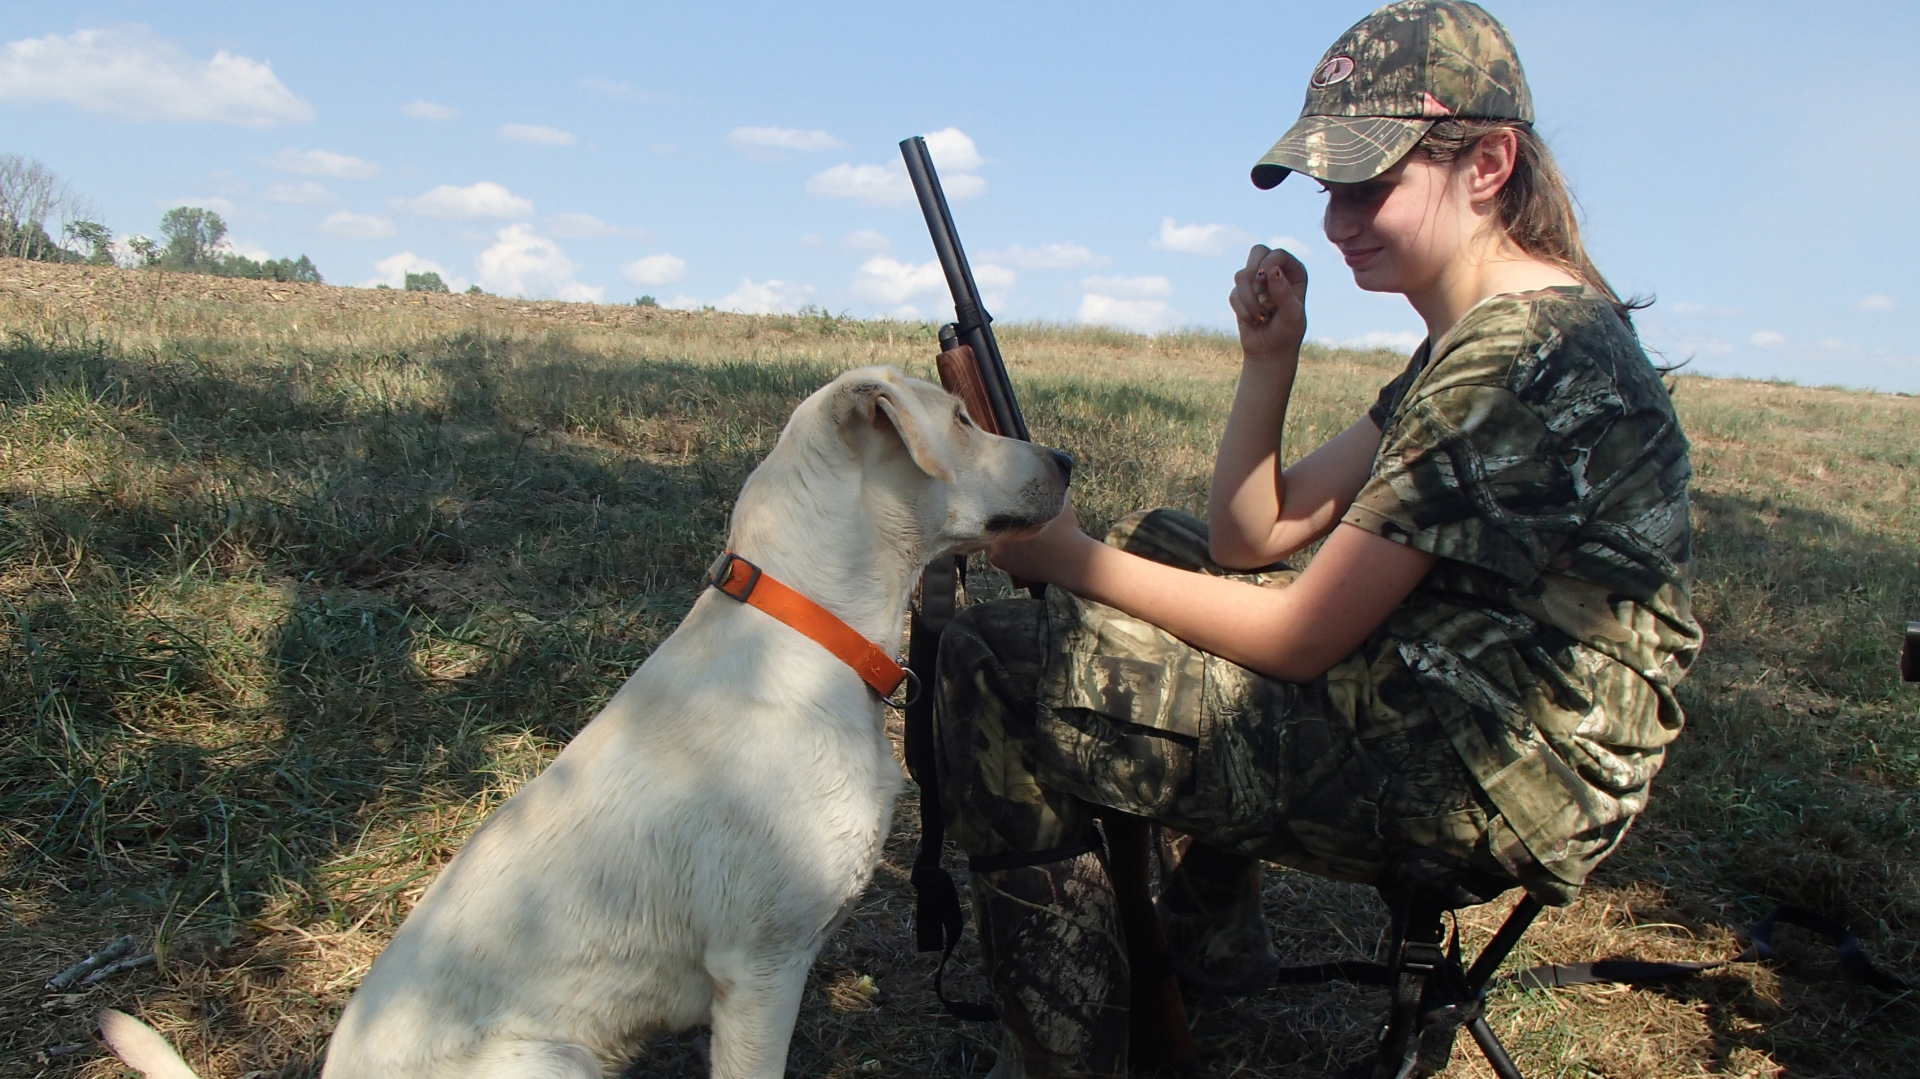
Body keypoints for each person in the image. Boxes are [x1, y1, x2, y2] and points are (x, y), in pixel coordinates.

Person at [931, 2, 1704, 1076]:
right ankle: (1208, 946)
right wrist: (1270, 358)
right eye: (1329, 186)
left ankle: (1080, 1049)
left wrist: (1068, 560)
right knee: (1167, 542)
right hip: (1476, 703)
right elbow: (1255, 535)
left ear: (1489, 162)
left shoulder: (1519, 357)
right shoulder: (1490, 336)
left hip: (1497, 769)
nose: (1339, 218)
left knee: (1002, 661)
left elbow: (1296, 635)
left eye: (1371, 182)